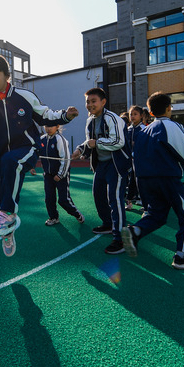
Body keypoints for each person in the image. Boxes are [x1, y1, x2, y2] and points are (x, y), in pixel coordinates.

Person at [0, 53, 78, 257]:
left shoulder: (24, 96)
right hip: (0, 158)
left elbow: (45, 115)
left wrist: (65, 116)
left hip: (28, 148)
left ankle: (8, 213)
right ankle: (7, 230)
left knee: (11, 162)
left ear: (6, 75)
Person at [121, 92, 184, 269]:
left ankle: (135, 231)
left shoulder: (144, 131)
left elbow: (136, 157)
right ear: (169, 108)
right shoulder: (171, 126)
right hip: (167, 177)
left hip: (145, 179)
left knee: (156, 214)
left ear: (149, 113)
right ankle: (182, 256)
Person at [71, 87, 131, 255]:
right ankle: (108, 224)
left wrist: (95, 144)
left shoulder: (113, 118)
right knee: (98, 193)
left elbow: (118, 141)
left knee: (115, 199)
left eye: (93, 101)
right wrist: (80, 150)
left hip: (116, 164)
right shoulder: (90, 120)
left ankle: (119, 239)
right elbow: (88, 142)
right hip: (101, 164)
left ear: (103, 102)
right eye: (87, 102)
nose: (90, 105)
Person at [39, 125, 85, 226]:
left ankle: (77, 214)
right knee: (49, 198)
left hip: (61, 175)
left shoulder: (60, 139)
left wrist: (60, 175)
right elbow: (36, 153)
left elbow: (65, 159)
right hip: (48, 175)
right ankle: (54, 217)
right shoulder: (42, 139)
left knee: (63, 200)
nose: (48, 128)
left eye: (51, 126)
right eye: (46, 126)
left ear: (57, 127)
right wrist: (31, 165)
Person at [125, 105, 146, 209]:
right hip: (130, 161)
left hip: (141, 161)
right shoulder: (128, 129)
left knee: (140, 181)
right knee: (131, 181)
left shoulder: (144, 129)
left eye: (135, 114)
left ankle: (144, 202)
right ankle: (129, 203)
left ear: (141, 116)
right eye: (131, 114)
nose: (132, 116)